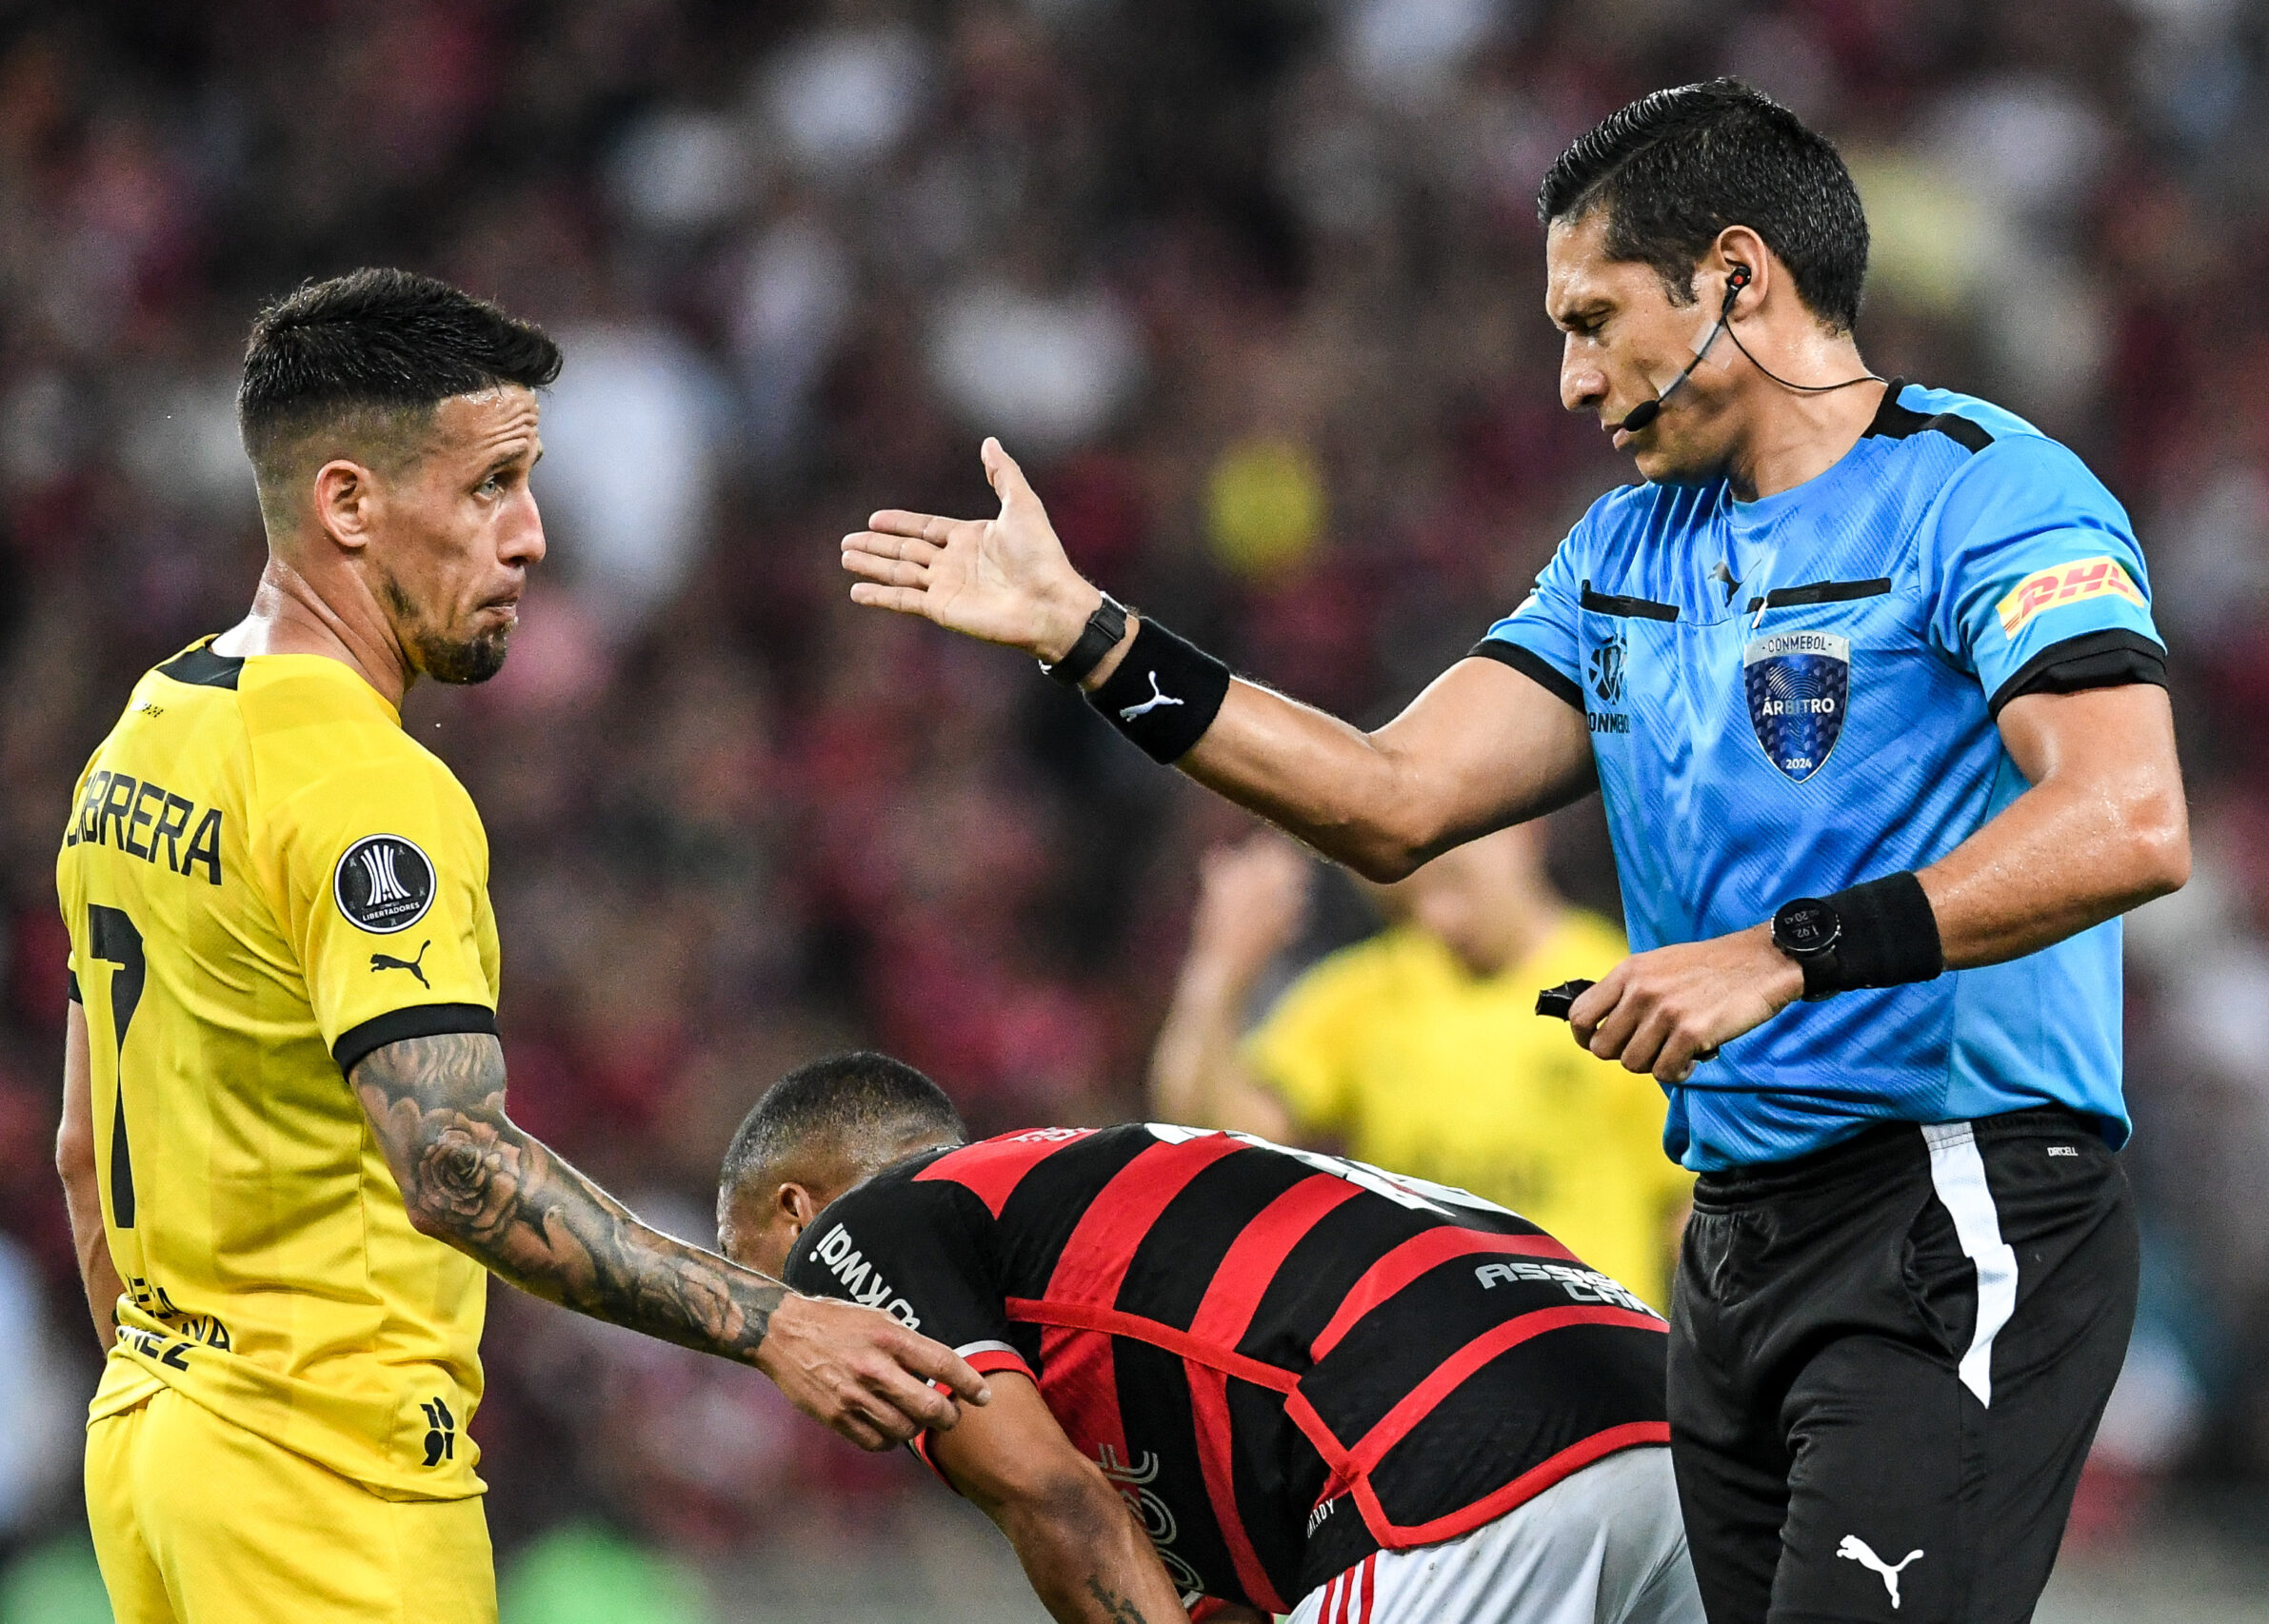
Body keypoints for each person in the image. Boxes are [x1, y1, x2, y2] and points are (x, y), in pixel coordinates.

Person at [838, 79, 2189, 1624]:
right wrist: (1094, 637)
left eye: (1594, 319)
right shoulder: (1623, 554)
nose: (1570, 380)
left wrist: (1786, 951)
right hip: (1733, 1242)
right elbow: (1389, 796)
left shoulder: (1988, 492)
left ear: (1735, 279)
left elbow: (2130, 818)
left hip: (1952, 1193)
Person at [53, 268, 987, 1624]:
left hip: (157, 1451)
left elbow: (85, 1153)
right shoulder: (366, 789)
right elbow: (451, 1163)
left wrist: (178, 1396)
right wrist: (774, 1320)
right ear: (349, 503)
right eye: (489, 484)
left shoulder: (149, 729)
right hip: (333, 1479)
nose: (533, 535)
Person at [717, 1051, 1702, 1624]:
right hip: (1672, 1423)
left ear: (797, 1208)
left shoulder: (865, 1227)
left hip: (1450, 1457)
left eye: (748, 1260)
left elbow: (1058, 1501)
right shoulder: (1089, 1210)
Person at [1150, 823, 1691, 1308]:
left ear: (1522, 833)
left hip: (1587, 1355)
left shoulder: (1617, 995)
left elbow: (1685, 1212)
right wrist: (1218, 972)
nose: (1436, 917)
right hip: (1425, 1360)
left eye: (1455, 882)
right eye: (1412, 898)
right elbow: (1209, 1134)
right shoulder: (1369, 993)